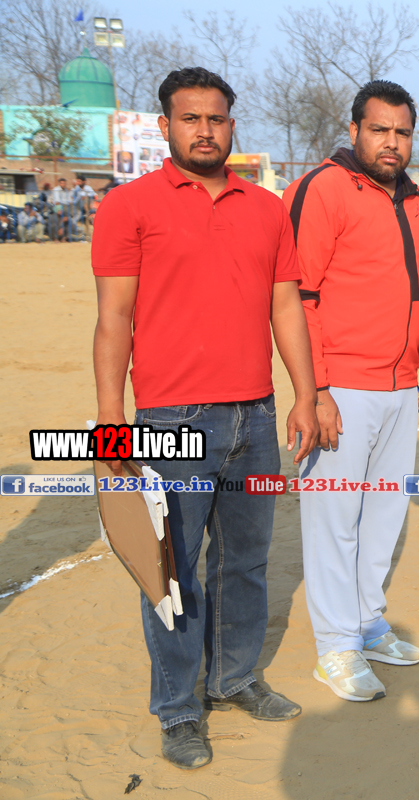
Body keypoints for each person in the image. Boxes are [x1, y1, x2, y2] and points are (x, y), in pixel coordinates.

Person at [92, 67, 319, 770]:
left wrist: (306, 394)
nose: (204, 131)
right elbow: (114, 318)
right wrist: (110, 420)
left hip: (255, 415)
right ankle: (179, 709)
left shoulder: (267, 208)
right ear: (165, 126)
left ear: (231, 125)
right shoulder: (128, 206)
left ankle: (235, 677)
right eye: (190, 119)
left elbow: (286, 306)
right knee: (170, 570)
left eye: (216, 119)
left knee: (245, 563)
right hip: (170, 420)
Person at [285, 80, 419, 702]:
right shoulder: (322, 189)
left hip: (401, 387)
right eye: (379, 130)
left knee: (382, 516)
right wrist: (316, 390)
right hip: (342, 387)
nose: (391, 142)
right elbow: (299, 297)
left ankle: (366, 623)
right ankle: (335, 648)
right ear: (354, 130)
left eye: (402, 132)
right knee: (334, 521)